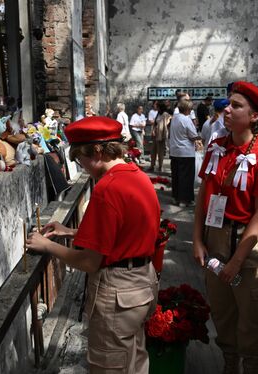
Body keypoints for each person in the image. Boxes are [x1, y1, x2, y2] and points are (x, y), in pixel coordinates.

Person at [26, 116, 160, 374]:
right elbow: (125, 233)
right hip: (142, 284)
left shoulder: (108, 188)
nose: (82, 165)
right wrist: (73, 232)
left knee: (109, 366)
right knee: (133, 362)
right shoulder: (137, 176)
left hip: (118, 292)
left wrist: (47, 245)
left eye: (80, 158)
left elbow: (89, 261)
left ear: (97, 151)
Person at [193, 81, 258, 374]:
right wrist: (197, 240)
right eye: (228, 103)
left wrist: (237, 261)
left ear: (254, 116)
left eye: (236, 105)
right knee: (222, 311)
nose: (227, 109)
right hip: (215, 237)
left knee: (251, 317)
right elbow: (203, 198)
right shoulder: (217, 148)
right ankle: (230, 364)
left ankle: (251, 367)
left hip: (246, 244)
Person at [169, 99, 200, 207]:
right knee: (186, 177)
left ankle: (176, 197)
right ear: (187, 109)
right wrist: (200, 136)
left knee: (176, 176)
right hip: (185, 152)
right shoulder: (186, 120)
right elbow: (193, 135)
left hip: (174, 151)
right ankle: (184, 199)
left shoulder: (174, 118)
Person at [149, 101, 172, 172]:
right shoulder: (158, 114)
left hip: (161, 135)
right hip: (155, 134)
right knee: (153, 151)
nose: (157, 108)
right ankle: (152, 165)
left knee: (160, 152)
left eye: (158, 107)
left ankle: (160, 166)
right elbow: (155, 123)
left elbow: (168, 121)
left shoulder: (165, 114)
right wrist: (153, 130)